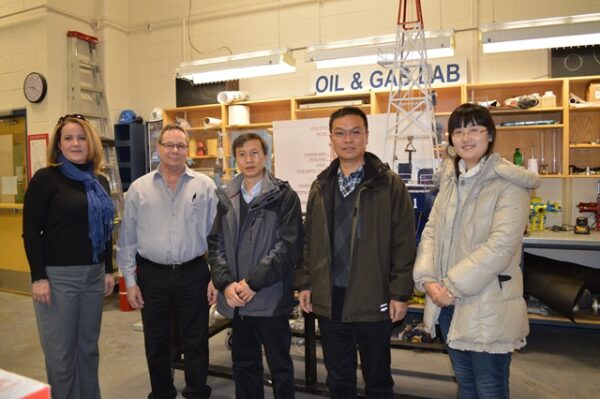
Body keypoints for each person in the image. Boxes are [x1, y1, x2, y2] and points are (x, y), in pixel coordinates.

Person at [413, 103, 540, 399]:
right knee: (466, 383)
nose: (466, 138)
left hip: (486, 303)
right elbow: (431, 231)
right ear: (451, 139)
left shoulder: (509, 183)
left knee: (489, 388)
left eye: (474, 129)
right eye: (458, 131)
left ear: (490, 135)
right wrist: (428, 280)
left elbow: (501, 246)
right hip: (446, 301)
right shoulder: (450, 179)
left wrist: (452, 287)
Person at [295, 106, 416, 398]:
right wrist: (305, 282)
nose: (347, 140)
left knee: (378, 381)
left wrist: (399, 292)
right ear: (331, 139)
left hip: (373, 298)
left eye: (355, 132)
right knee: (338, 380)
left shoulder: (389, 184)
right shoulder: (320, 185)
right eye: (340, 133)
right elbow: (308, 239)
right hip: (331, 300)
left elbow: (404, 242)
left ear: (366, 136)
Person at [117, 124, 218, 399]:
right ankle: (162, 393)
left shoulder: (205, 186)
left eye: (181, 146)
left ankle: (197, 392)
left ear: (188, 149)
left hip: (193, 273)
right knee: (157, 341)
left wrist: (215, 277)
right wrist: (130, 282)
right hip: (153, 276)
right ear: (159, 148)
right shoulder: (139, 189)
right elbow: (126, 239)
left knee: (196, 339)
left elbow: (216, 236)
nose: (175, 150)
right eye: (169, 145)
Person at [22, 114, 115, 399]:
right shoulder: (45, 179)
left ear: (91, 141)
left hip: (93, 276)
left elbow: (105, 228)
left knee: (88, 348)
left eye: (81, 137)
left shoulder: (98, 180)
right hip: (58, 279)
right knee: (61, 355)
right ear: (58, 145)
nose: (76, 143)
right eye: (68, 138)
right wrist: (39, 277)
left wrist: (108, 270)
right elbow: (30, 231)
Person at [209, 133, 303, 399]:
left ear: (266, 156)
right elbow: (215, 245)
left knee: (280, 368)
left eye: (254, 153)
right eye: (242, 154)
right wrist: (226, 284)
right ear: (235, 159)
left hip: (269, 298)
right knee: (244, 366)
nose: (248, 160)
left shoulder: (284, 196)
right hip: (237, 301)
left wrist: (253, 283)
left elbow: (288, 247)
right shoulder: (226, 198)